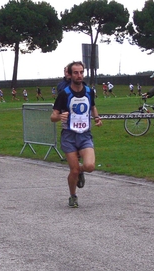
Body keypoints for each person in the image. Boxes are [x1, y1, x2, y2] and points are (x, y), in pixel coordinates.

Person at [50, 61, 102, 208]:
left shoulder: (89, 91)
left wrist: (97, 118)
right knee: (73, 170)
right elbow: (52, 116)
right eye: (76, 73)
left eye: (81, 72)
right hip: (69, 136)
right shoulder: (64, 94)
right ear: (70, 74)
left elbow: (92, 107)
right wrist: (60, 117)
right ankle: (73, 196)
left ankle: (81, 170)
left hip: (85, 135)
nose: (79, 76)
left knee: (90, 166)